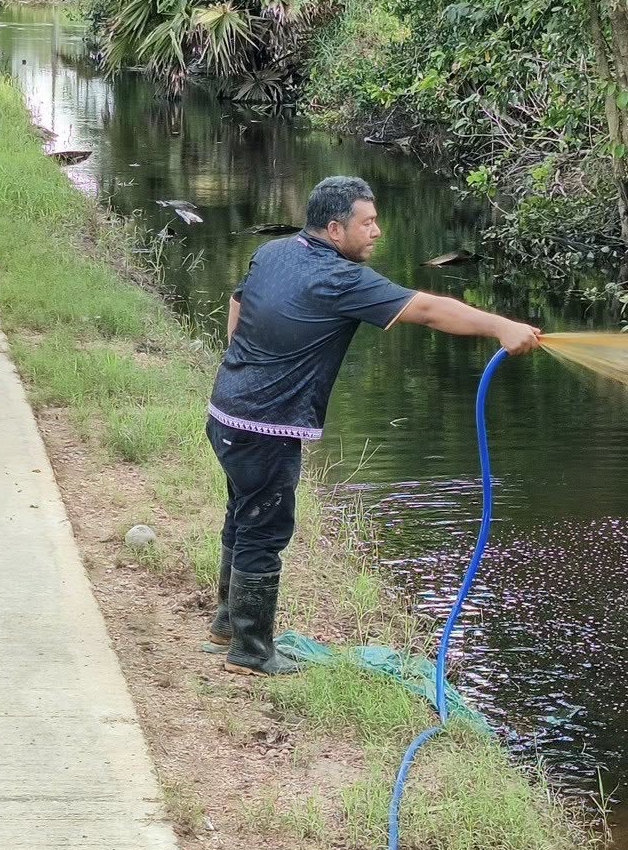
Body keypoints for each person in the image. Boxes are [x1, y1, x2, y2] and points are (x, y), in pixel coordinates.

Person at [206, 176, 542, 676]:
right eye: (368, 222)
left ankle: (229, 624)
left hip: (226, 414)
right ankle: (250, 653)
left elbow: (239, 299)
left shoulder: (274, 253)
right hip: (265, 428)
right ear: (336, 229)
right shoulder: (339, 280)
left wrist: (242, 357)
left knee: (245, 513)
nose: (378, 232)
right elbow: (427, 310)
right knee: (265, 528)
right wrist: (501, 326)